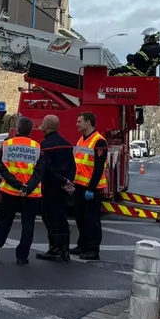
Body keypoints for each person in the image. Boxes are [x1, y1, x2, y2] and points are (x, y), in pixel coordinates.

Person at [0, 117, 45, 265]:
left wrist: (17, 185)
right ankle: (22, 257)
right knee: (28, 225)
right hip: (31, 193)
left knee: (3, 222)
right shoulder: (37, 147)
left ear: (17, 128)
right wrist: (27, 188)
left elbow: (2, 168)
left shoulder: (7, 144)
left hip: (10, 191)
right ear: (30, 130)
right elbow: (39, 172)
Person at [34, 115, 76, 263]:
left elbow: (48, 168)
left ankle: (55, 249)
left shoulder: (45, 145)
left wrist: (61, 180)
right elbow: (72, 165)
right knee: (62, 216)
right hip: (64, 187)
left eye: (43, 124)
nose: (41, 127)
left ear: (47, 127)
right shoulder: (67, 144)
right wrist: (68, 181)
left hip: (51, 186)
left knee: (51, 218)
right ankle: (65, 249)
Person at [71, 111, 108, 260]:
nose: (77, 124)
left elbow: (99, 168)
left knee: (92, 219)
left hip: (91, 188)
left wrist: (91, 188)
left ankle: (93, 249)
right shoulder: (82, 140)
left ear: (88, 123)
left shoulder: (99, 142)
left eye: (79, 121)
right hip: (79, 185)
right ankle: (82, 244)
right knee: (80, 217)